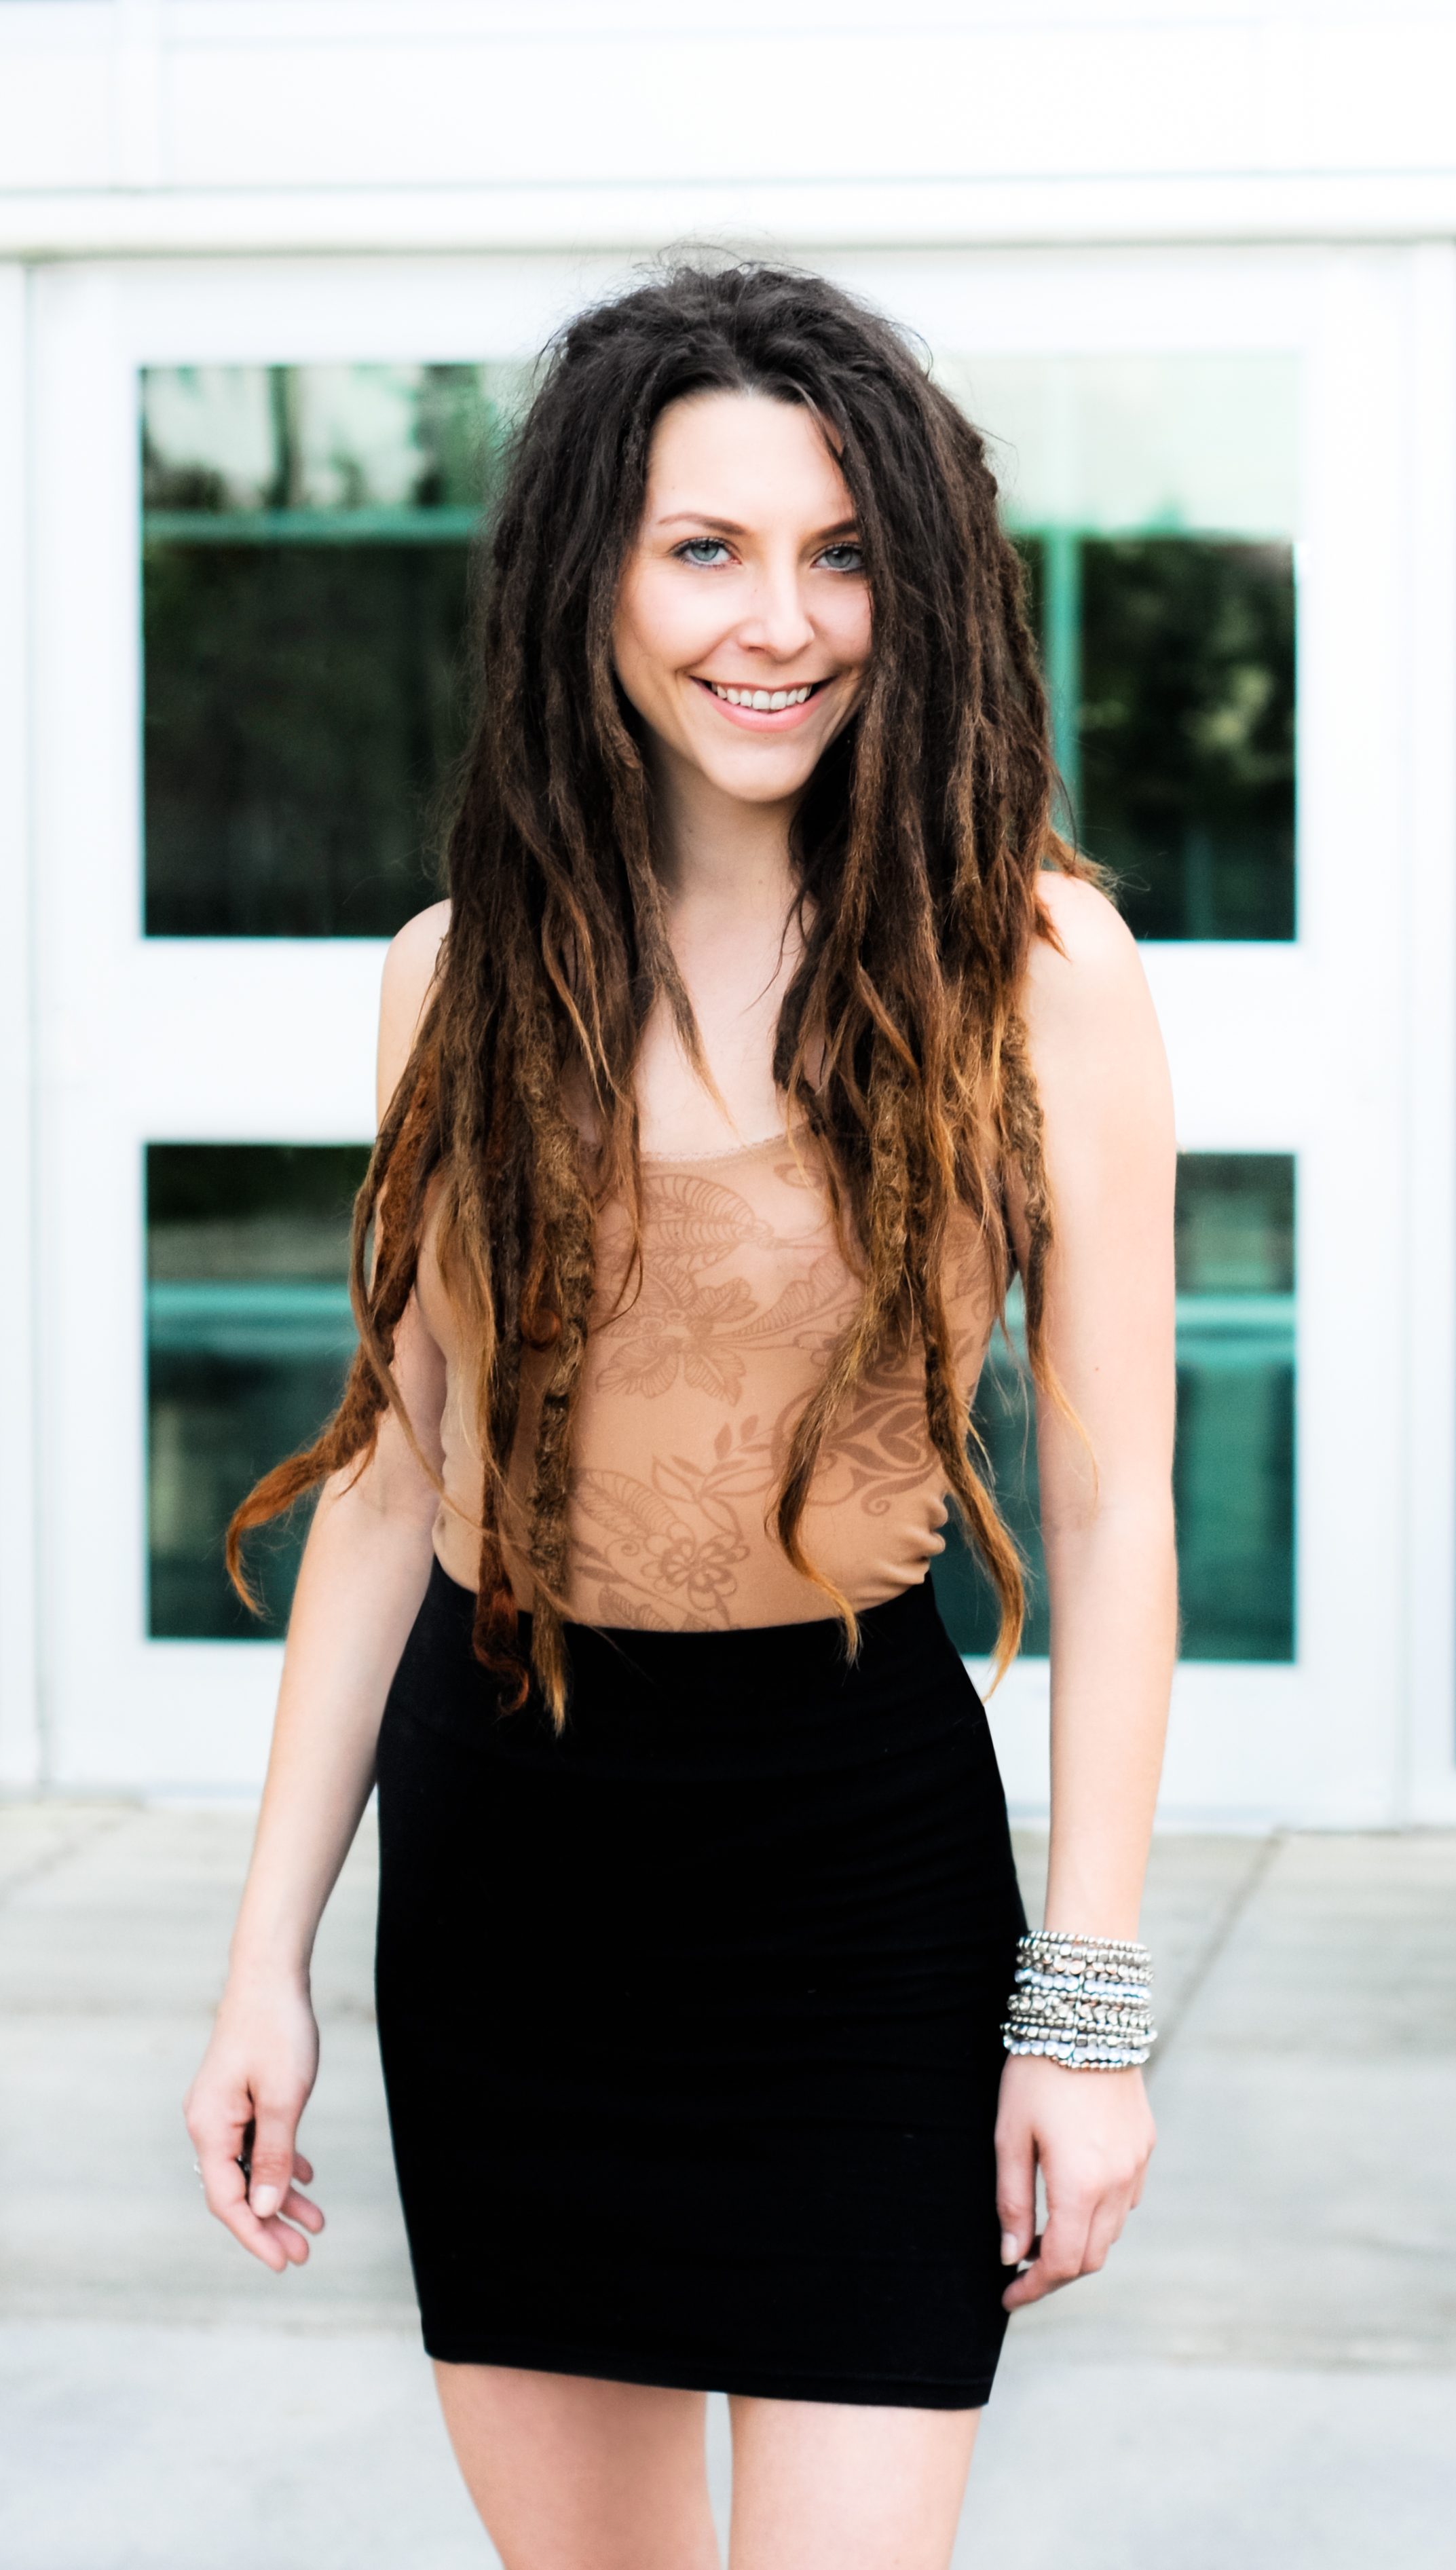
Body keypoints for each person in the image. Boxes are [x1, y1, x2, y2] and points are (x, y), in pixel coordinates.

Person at [184, 262, 1176, 2570]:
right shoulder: (452, 976)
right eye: (705, 548)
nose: (780, 622)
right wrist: (262, 1961)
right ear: (590, 581)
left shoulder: (1036, 968)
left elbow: (1116, 1503)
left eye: (842, 553)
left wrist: (1087, 2011)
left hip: (858, 1883)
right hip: (510, 1886)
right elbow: (399, 1481)